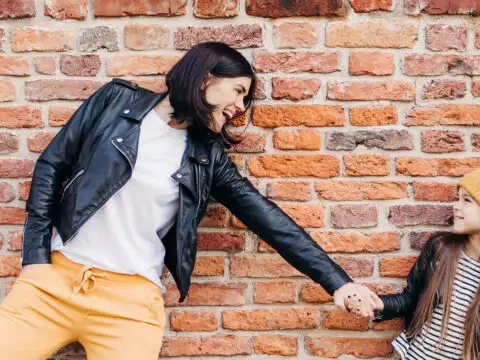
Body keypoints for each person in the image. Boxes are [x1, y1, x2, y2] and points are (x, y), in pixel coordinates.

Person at [0, 42, 378, 360]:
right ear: (206, 78)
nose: (240, 107)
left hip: (129, 305)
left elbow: (267, 219)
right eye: (238, 91)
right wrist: (35, 258)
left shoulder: (206, 157)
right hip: (53, 284)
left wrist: (338, 283)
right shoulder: (115, 102)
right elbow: (52, 165)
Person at [347, 168, 480, 360]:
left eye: (466, 200)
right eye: (457, 198)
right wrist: (380, 304)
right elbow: (411, 299)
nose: (456, 206)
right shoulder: (440, 248)